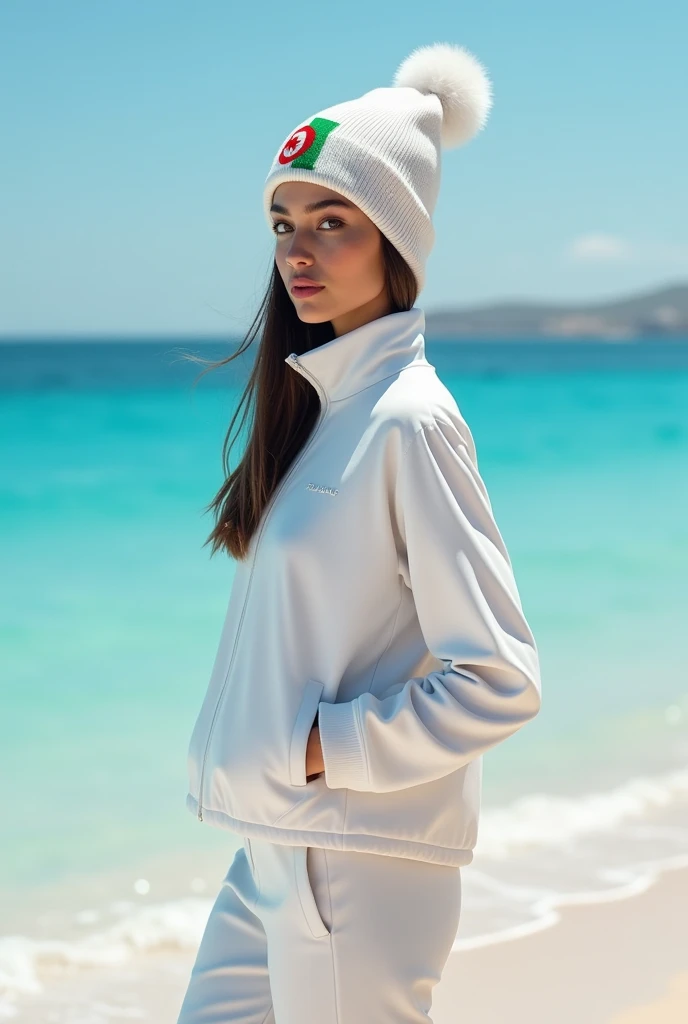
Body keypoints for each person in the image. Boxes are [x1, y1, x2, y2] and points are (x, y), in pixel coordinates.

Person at [177, 40, 542, 1024]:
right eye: (283, 221)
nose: (297, 249)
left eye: (333, 221)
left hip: (355, 858)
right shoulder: (322, 417)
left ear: (396, 239)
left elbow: (499, 677)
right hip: (272, 845)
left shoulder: (410, 420)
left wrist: (316, 748)